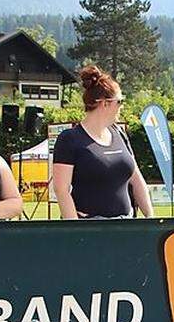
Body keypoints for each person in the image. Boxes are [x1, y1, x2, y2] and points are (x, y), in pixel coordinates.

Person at [51, 65, 153, 219]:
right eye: (119, 101)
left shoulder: (119, 133)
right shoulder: (69, 139)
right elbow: (61, 190)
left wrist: (150, 219)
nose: (122, 107)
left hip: (126, 225)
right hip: (90, 227)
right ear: (104, 103)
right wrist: (74, 231)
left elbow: (137, 179)